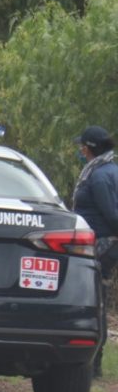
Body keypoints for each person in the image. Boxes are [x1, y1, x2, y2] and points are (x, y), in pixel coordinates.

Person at [72, 125, 118, 378]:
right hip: (104, 243)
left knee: (94, 300)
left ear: (90, 149)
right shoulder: (110, 169)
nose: (80, 150)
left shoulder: (99, 176)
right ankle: (94, 362)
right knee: (97, 298)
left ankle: (94, 364)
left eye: (83, 146)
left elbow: (111, 213)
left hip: (102, 244)